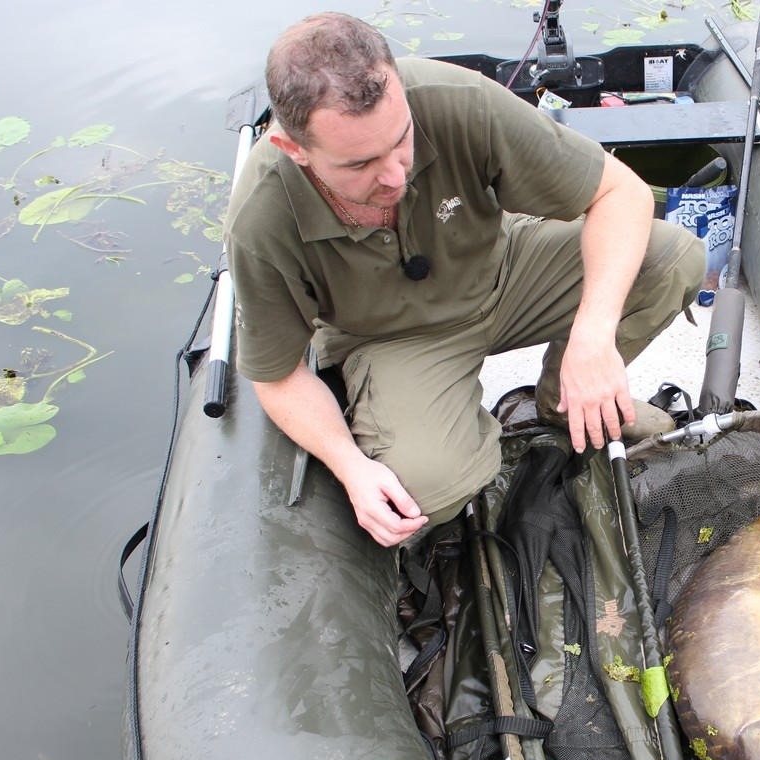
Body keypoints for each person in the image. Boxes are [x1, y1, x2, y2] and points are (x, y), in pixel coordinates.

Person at [225, 12, 704, 548]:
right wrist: (349, 467)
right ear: (295, 150)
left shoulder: (456, 99)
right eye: (360, 163)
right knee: (428, 488)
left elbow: (622, 193)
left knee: (672, 258)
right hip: (393, 337)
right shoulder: (262, 216)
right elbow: (277, 376)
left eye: (401, 140)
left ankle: (562, 401)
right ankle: (461, 430)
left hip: (506, 268)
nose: (395, 174)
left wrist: (593, 338)